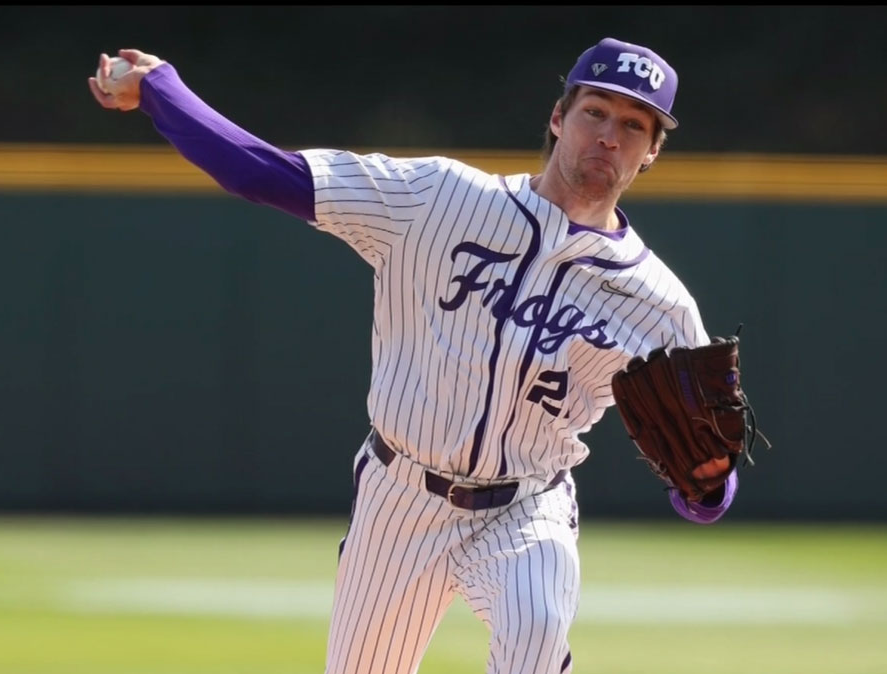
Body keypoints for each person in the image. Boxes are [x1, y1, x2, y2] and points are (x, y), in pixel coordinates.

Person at [88, 36, 738, 674]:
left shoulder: (659, 305)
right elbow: (262, 171)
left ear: (652, 150)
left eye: (633, 124)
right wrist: (160, 90)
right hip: (399, 496)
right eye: (595, 111)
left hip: (527, 505)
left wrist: (708, 487)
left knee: (536, 634)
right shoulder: (436, 199)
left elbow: (707, 483)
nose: (608, 134)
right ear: (558, 116)